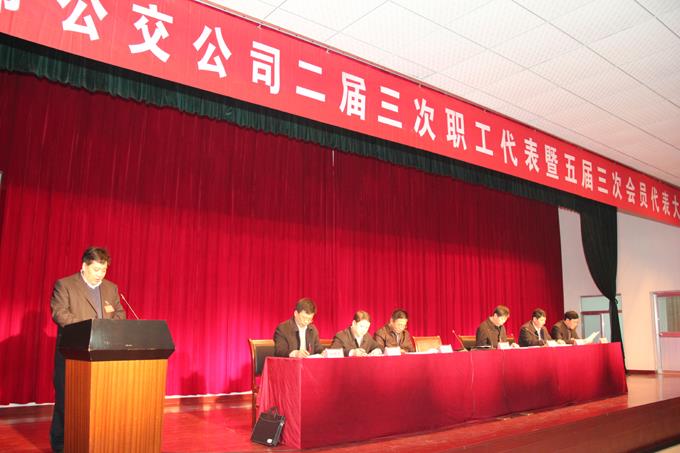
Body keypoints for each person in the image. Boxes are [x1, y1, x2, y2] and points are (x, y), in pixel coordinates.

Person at [49, 247, 126, 453]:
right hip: (73, 354)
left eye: (104, 270)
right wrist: (89, 329)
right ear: (84, 266)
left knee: (100, 403)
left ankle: (96, 442)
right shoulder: (65, 285)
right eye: (96, 269)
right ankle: (61, 445)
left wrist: (109, 329)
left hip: (103, 354)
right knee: (67, 402)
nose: (101, 274)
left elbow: (120, 314)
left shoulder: (111, 288)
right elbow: (60, 314)